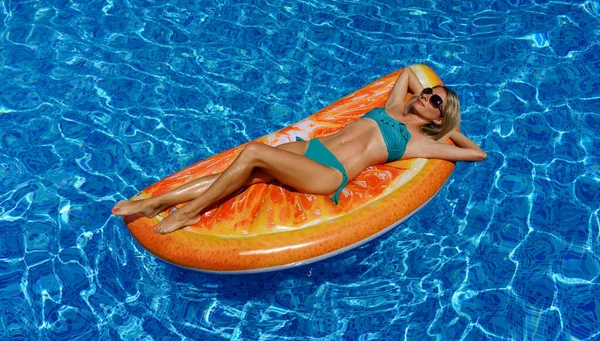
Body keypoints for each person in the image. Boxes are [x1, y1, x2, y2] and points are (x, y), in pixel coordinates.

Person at [112, 67, 486, 234]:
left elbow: (477, 155)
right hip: (313, 151)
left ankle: (189, 213)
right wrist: (432, 88)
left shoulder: (420, 142)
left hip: (329, 173)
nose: (424, 94)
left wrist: (450, 127)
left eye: (433, 99)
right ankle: (158, 203)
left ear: (439, 118)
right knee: (250, 174)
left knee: (253, 155)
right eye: (427, 93)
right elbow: (408, 72)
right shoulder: (392, 106)